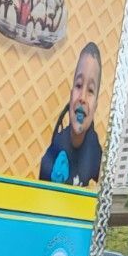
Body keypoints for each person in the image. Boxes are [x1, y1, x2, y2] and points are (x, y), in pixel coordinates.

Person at [38, 43, 103, 188]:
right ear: (70, 94)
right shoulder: (54, 152)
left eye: (91, 90)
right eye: (79, 85)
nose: (83, 98)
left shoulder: (95, 151)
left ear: (96, 106)